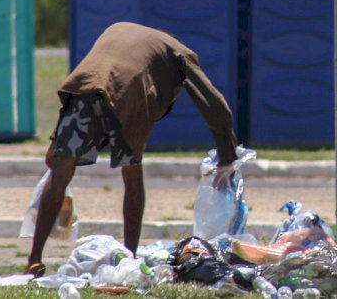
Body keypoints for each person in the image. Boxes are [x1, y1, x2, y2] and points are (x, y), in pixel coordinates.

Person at [24, 22, 238, 276]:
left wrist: (55, 141)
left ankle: (34, 260)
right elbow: (214, 103)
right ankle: (129, 257)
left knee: (61, 170)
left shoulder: (118, 27)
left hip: (84, 88)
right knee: (132, 174)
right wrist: (227, 156)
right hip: (130, 95)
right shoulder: (179, 52)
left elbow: (97, 68)